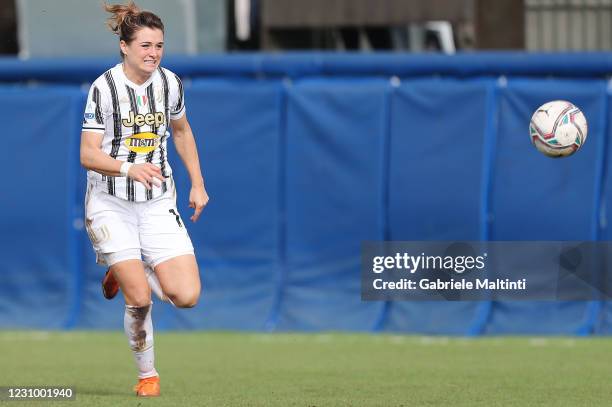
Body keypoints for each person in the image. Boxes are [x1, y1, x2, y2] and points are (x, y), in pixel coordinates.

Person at [80, 1, 209, 397]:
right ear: (124, 46)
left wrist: (198, 183)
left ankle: (124, 266)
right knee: (139, 299)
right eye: (145, 45)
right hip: (111, 201)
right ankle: (148, 376)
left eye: (159, 46)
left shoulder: (170, 83)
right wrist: (126, 168)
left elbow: (182, 132)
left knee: (186, 297)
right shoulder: (105, 88)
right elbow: (87, 154)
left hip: (156, 202)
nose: (153, 53)